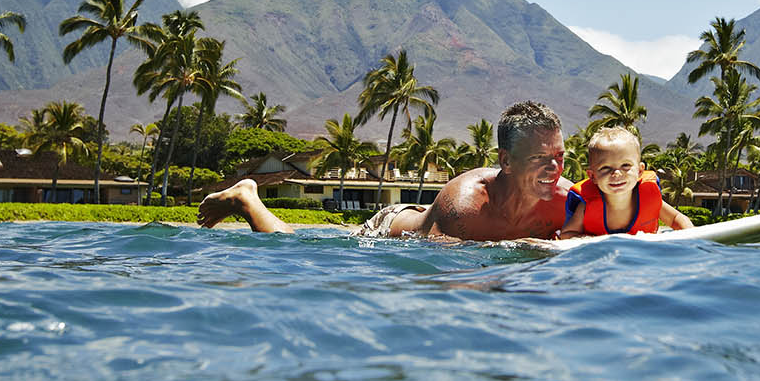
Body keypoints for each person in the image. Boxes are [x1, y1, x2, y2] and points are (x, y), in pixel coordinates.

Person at [197, 100, 577, 242]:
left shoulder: (568, 200)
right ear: (506, 161)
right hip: (390, 230)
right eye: (538, 159)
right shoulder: (464, 207)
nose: (553, 169)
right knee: (292, 245)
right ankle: (247, 197)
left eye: (559, 156)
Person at [556, 125, 694, 237]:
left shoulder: (649, 198)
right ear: (592, 177)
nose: (616, 173)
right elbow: (567, 234)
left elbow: (677, 219)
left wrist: (692, 238)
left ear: (640, 171)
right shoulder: (586, 207)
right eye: (605, 168)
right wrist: (588, 240)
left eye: (625, 166)